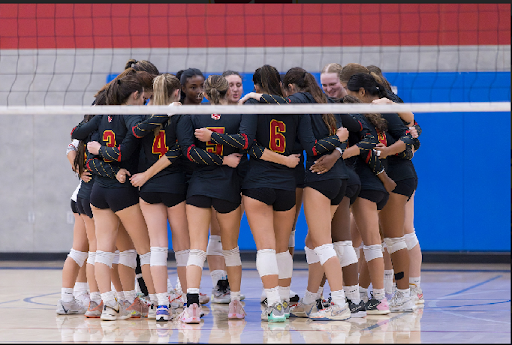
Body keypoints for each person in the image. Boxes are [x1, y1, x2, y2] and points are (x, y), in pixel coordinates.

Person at [71, 68, 157, 321]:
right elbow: (122, 151)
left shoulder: (101, 114)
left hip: (98, 192)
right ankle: (156, 304)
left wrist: (94, 145)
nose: (144, 101)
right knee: (146, 250)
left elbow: (76, 134)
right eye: (143, 97)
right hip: (121, 193)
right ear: (134, 95)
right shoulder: (130, 116)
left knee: (103, 252)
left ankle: (109, 305)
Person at [176, 74, 255, 323]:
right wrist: (224, 159)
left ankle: (191, 307)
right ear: (225, 91)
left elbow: (189, 153)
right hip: (229, 187)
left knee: (196, 249)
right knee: (230, 249)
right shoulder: (239, 114)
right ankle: (234, 304)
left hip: (198, 187)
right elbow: (245, 142)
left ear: (206, 93)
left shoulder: (190, 115)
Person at [345, 73, 416, 313]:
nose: (348, 97)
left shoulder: (382, 108)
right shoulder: (370, 113)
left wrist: (387, 153)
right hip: (388, 178)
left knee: (395, 238)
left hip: (397, 177)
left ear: (362, 92)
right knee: (377, 239)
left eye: (350, 92)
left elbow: (411, 137)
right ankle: (367, 294)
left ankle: (404, 294)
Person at [127, 73, 190, 322]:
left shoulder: (142, 113)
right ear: (176, 93)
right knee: (183, 249)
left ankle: (161, 305)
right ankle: (188, 303)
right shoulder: (179, 114)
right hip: (174, 185)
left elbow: (136, 134)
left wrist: (143, 176)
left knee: (157, 248)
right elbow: (178, 152)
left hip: (149, 188)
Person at [56, 139, 91, 315]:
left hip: (82, 196)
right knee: (96, 251)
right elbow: (70, 148)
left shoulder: (87, 126)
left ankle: (74, 296)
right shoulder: (96, 125)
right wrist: (79, 169)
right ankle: (103, 299)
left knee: (84, 250)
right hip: (90, 196)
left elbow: (70, 148)